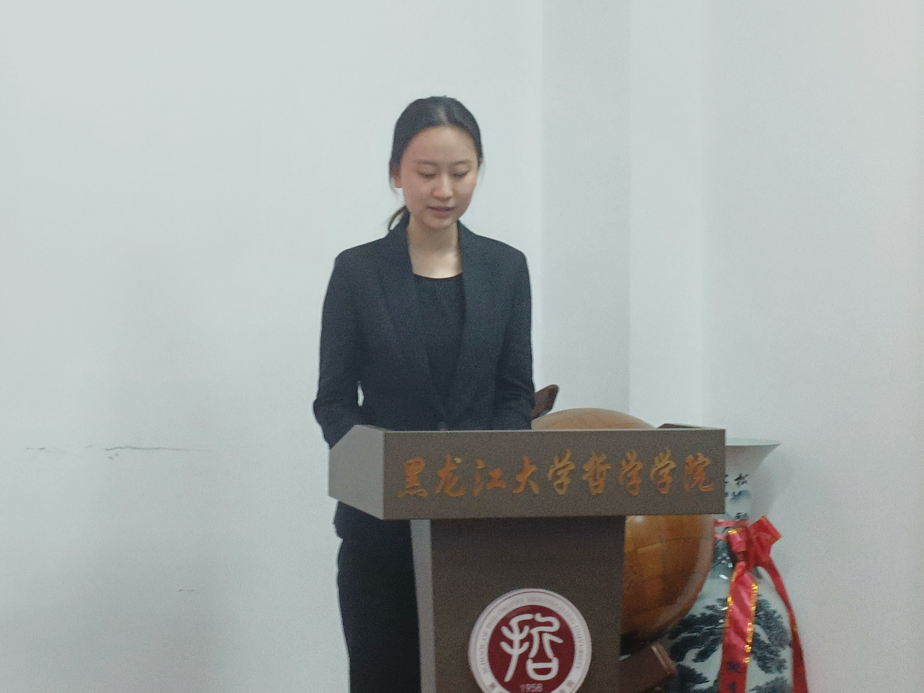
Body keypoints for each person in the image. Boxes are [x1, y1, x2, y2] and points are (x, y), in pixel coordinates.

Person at [314, 96, 535, 693]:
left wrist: (484, 475)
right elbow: (333, 401)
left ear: (478, 172)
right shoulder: (358, 272)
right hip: (379, 532)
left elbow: (515, 394)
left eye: (460, 173)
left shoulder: (507, 269)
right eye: (427, 172)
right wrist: (386, 470)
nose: (444, 190)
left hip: (479, 530)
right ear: (396, 173)